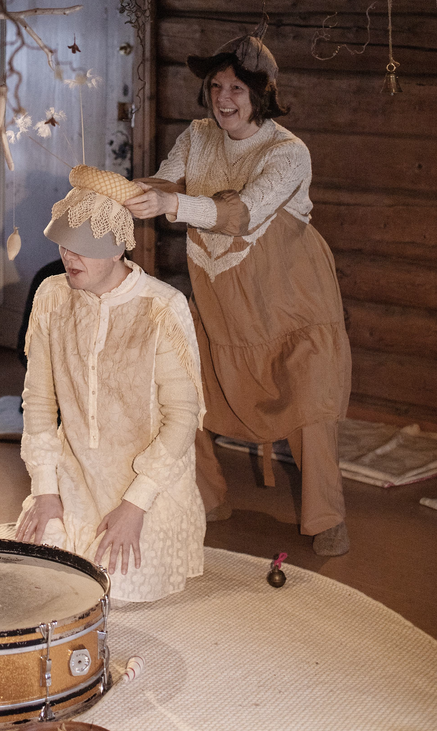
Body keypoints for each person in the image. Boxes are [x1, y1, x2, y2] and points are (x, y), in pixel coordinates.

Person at [124, 31, 352, 556]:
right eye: (216, 86)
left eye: (236, 89)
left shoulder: (289, 152)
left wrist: (171, 206)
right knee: (182, 387)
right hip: (224, 303)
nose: (223, 98)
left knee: (310, 409)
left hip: (292, 303)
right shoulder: (198, 135)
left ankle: (327, 519)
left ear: (261, 93)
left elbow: (243, 213)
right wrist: (120, 191)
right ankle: (207, 498)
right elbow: (167, 182)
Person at [16, 165, 206, 603]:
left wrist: (135, 506)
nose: (69, 256)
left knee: (115, 589)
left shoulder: (162, 307)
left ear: (118, 248)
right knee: (41, 578)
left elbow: (182, 418)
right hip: (74, 476)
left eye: (83, 248)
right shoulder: (51, 295)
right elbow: (39, 401)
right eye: (64, 244)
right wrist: (45, 491)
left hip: (144, 485)